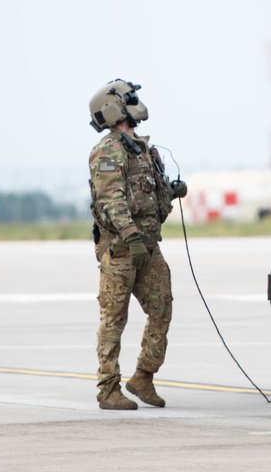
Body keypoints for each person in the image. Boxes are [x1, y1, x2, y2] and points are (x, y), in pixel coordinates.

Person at [87, 78, 186, 410]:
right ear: (114, 108)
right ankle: (108, 389)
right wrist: (131, 237)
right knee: (114, 318)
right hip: (120, 250)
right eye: (129, 99)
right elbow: (111, 200)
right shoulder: (108, 150)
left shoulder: (141, 147)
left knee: (162, 308)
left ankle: (143, 376)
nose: (136, 103)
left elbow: (146, 196)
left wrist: (171, 192)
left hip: (147, 246)